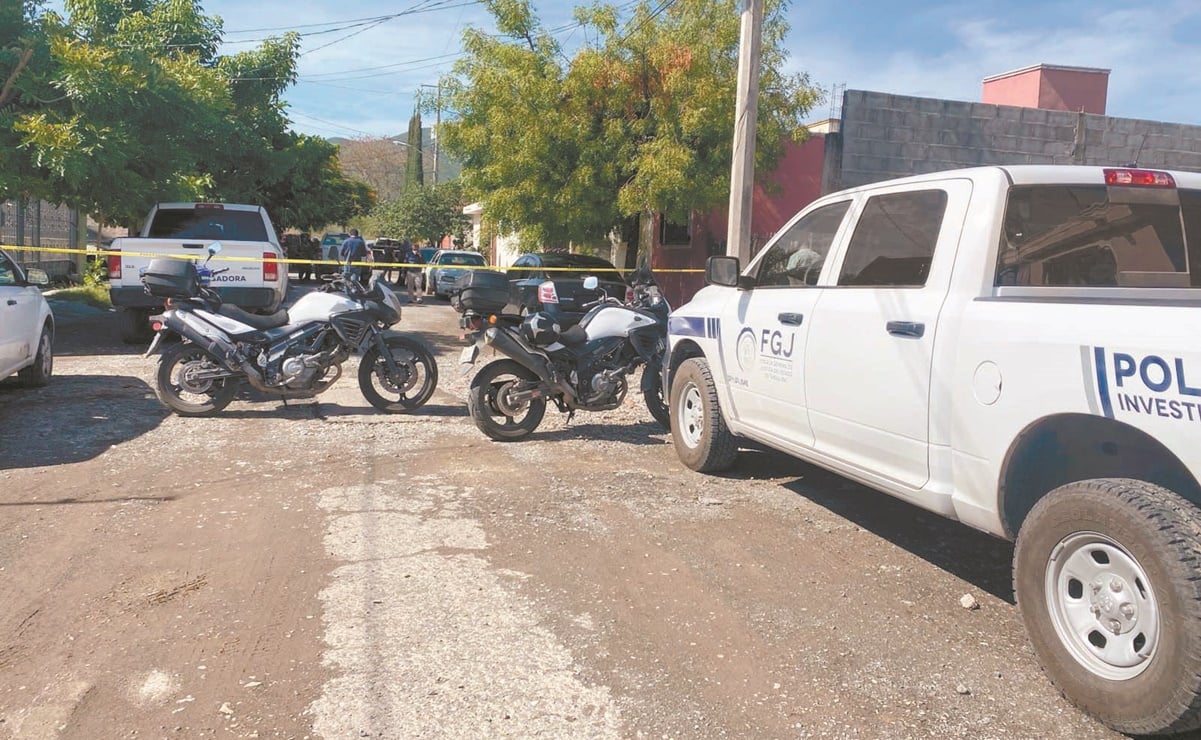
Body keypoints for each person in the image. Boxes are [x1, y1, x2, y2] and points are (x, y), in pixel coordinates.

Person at [398, 238, 424, 303]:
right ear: (412, 248)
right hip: (410, 272)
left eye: (416, 248)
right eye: (414, 248)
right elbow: (405, 263)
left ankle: (419, 298)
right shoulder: (408, 254)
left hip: (418, 272)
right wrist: (403, 272)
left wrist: (420, 256)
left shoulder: (421, 254)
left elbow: (423, 262)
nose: (415, 249)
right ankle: (410, 298)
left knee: (418, 286)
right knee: (410, 287)